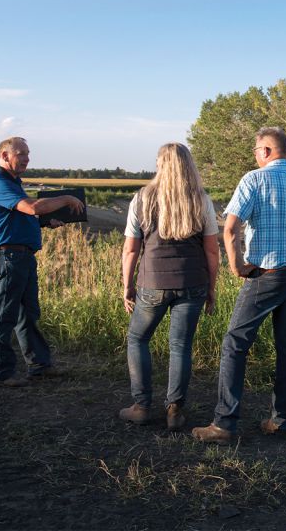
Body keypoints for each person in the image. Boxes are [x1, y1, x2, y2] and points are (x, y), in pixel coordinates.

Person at [192, 126, 286, 443]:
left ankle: (224, 423)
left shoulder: (254, 180)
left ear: (266, 151)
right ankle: (282, 420)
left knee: (235, 343)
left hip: (266, 274)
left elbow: (230, 227)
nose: (255, 157)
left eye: (256, 151)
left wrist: (237, 266)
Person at [118, 143, 220, 432]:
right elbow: (212, 251)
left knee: (138, 339)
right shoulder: (201, 199)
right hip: (192, 283)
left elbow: (130, 249)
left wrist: (128, 286)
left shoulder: (142, 198)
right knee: (180, 346)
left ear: (160, 164)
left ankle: (141, 406)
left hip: (152, 283)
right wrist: (212, 288)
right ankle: (175, 409)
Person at [0, 136, 85, 387]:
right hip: (7, 258)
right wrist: (66, 200)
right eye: (21, 154)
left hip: (21, 258)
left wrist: (45, 222)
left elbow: (23, 216)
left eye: (28, 153)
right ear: (5, 156)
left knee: (26, 314)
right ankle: (0, 373)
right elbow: (31, 207)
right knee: (3, 316)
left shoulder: (13, 183)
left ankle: (39, 365)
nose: (26, 158)